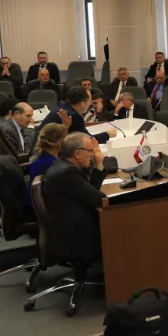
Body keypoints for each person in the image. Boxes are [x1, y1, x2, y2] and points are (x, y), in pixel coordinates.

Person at [42, 132, 108, 262]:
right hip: (77, 236)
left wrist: (98, 164)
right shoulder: (68, 173)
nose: (92, 154)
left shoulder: (62, 166)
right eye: (90, 151)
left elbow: (91, 191)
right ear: (77, 154)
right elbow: (100, 199)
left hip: (67, 228)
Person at [41, 86, 109, 143]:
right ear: (82, 104)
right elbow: (88, 140)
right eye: (89, 101)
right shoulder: (74, 116)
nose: (90, 104)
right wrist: (107, 134)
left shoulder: (64, 106)